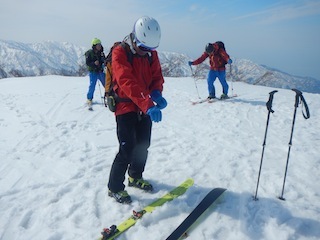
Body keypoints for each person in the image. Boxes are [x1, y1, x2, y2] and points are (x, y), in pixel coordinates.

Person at [107, 16, 167, 204]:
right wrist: (148, 103)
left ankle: (135, 176)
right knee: (127, 148)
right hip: (125, 106)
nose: (146, 52)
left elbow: (157, 75)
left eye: (150, 49)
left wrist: (156, 92)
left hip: (144, 105)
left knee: (143, 144)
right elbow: (126, 81)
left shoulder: (151, 54)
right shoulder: (120, 53)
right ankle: (114, 187)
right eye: (143, 48)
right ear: (135, 38)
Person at [85, 38, 106, 107]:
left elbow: (104, 61)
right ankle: (89, 99)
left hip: (100, 71)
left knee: (106, 84)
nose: (99, 46)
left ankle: (110, 96)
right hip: (93, 72)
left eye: (100, 45)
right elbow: (87, 63)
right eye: (98, 45)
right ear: (94, 45)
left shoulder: (101, 53)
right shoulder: (89, 53)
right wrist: (94, 63)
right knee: (92, 86)